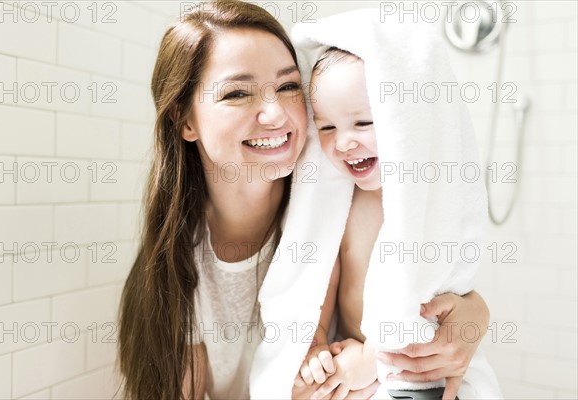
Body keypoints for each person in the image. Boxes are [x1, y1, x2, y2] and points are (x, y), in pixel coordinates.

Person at [118, 1, 491, 399]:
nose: (276, 114)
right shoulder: (177, 264)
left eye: (288, 86)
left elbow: (424, 280)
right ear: (184, 119)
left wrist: (473, 314)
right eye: (237, 93)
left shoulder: (345, 195)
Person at [294, 48, 497, 400]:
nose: (343, 142)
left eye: (363, 123)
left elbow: (423, 293)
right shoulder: (339, 199)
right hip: (353, 351)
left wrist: (374, 359)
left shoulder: (428, 205)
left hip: (414, 367)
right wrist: (317, 340)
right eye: (327, 127)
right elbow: (323, 273)